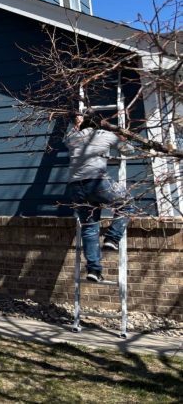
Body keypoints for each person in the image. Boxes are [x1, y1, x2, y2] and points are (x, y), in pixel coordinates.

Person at [64, 110, 135, 283]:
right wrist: (123, 138)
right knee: (127, 204)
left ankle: (94, 270)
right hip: (97, 183)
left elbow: (67, 138)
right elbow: (129, 151)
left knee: (89, 227)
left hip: (75, 187)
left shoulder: (73, 138)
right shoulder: (106, 135)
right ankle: (112, 238)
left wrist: (76, 126)